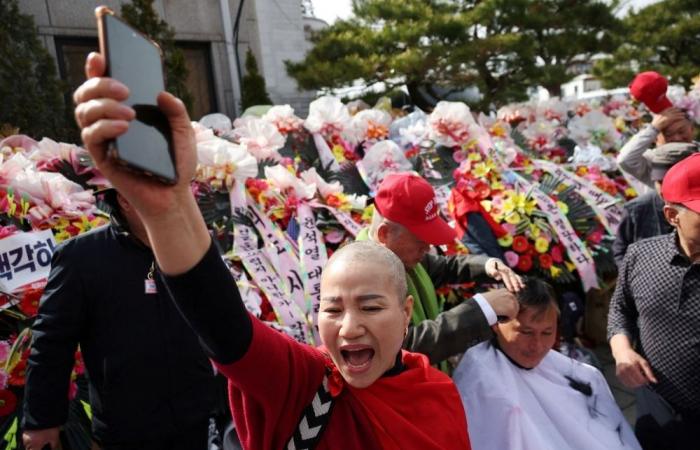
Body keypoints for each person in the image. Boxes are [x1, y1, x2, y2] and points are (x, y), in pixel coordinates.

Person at [72, 52, 472, 449]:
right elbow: (222, 323)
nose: (348, 327)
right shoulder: (304, 382)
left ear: (405, 314)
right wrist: (168, 206)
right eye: (332, 309)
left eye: (370, 307)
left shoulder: (438, 395)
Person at [22, 189, 218, 450]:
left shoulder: (193, 243)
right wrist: (42, 421)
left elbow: (217, 317)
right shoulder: (80, 257)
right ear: (125, 199)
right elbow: (51, 344)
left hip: (194, 418)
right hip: (125, 428)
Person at [453, 277, 641, 450]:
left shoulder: (584, 374)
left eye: (547, 333)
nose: (537, 345)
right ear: (496, 323)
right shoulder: (481, 379)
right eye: (526, 332)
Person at [361, 172, 524, 363]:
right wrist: (480, 310)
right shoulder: (364, 277)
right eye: (420, 240)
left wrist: (489, 265)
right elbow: (404, 346)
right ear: (384, 234)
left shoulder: (398, 256)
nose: (428, 247)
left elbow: (446, 266)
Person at [608, 153, 700, 449]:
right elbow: (620, 309)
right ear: (673, 216)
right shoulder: (640, 256)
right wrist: (622, 352)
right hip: (656, 404)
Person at [612, 142, 697, 265]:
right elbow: (620, 252)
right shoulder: (635, 210)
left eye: (673, 183)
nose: (664, 190)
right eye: (660, 182)